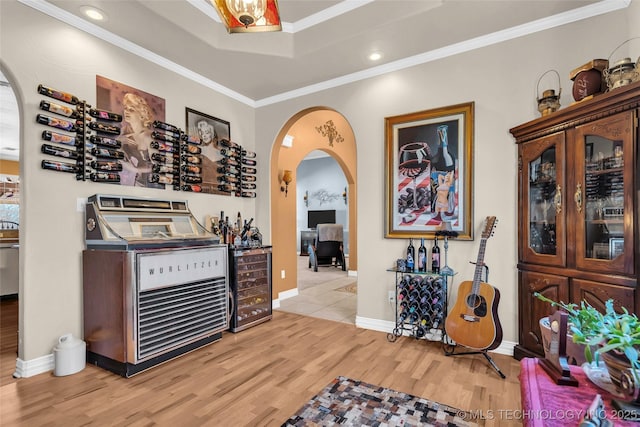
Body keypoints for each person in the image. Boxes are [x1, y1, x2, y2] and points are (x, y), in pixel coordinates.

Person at [119, 93, 159, 187]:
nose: (127, 112)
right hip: (131, 182)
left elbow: (157, 167)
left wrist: (137, 170)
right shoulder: (124, 131)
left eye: (131, 109)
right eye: (126, 108)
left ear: (141, 113)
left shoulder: (148, 136)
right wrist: (120, 141)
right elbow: (116, 156)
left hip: (149, 184)